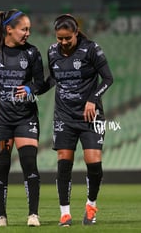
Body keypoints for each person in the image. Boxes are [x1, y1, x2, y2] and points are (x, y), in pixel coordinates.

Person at [0, 9, 45, 227]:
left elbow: (40, 82)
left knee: (29, 164)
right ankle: (1, 217)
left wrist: (30, 88)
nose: (27, 33)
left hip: (26, 118)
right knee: (0, 167)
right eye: (24, 29)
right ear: (9, 30)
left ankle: (33, 215)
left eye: (29, 29)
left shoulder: (32, 53)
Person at [47, 14, 113, 226]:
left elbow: (108, 78)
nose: (64, 43)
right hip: (64, 117)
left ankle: (91, 205)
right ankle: (64, 213)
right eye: (60, 39)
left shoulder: (91, 49)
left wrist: (93, 99)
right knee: (64, 164)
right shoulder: (51, 52)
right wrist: (31, 89)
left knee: (94, 164)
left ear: (76, 33)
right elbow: (53, 79)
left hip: (90, 117)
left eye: (68, 38)